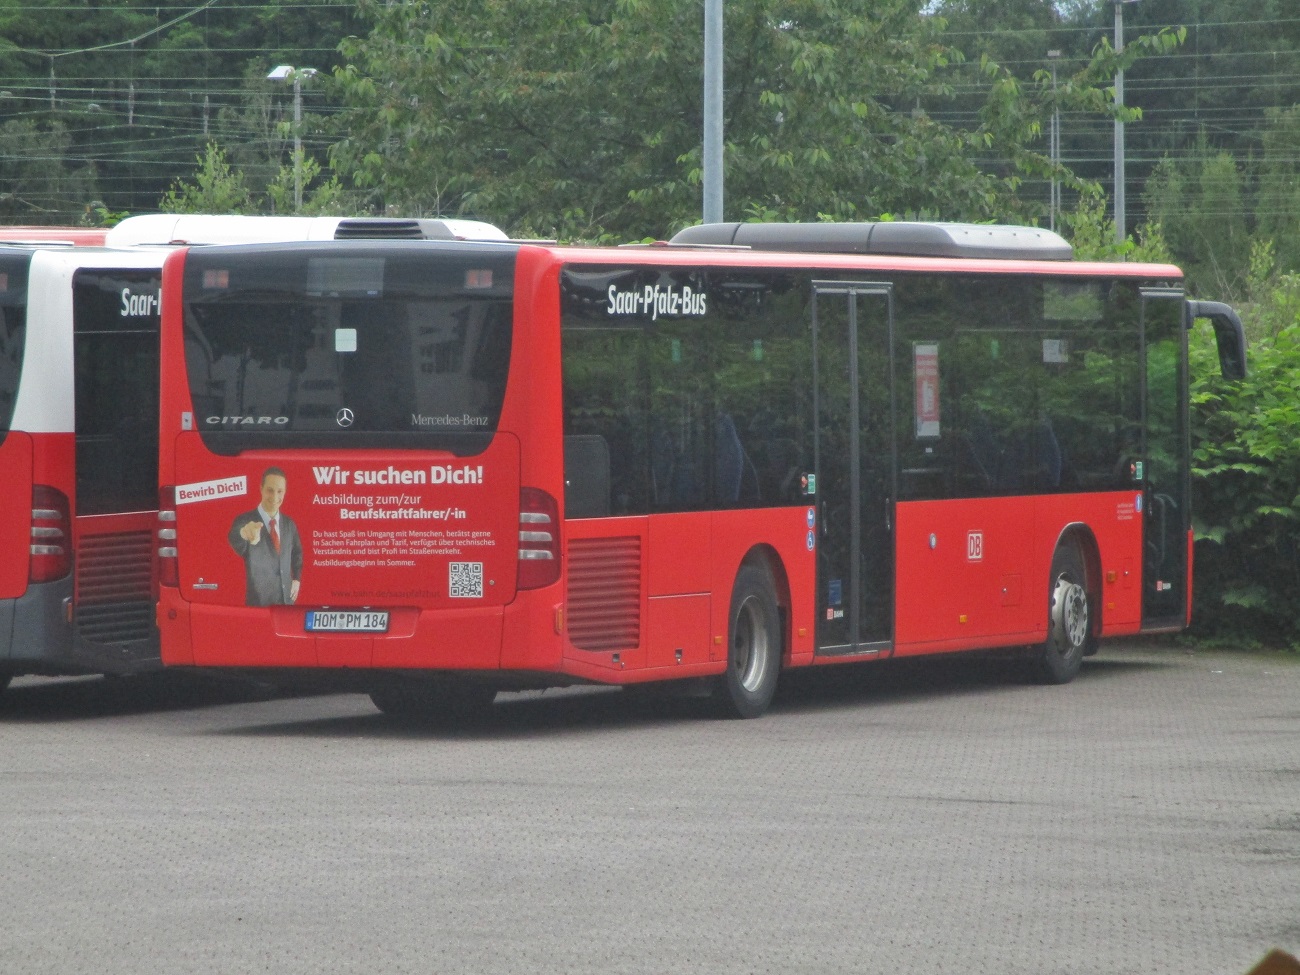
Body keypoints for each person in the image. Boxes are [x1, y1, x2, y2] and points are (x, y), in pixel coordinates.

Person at [228, 466, 303, 606]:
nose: (275, 497)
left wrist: (297, 579)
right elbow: (235, 537)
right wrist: (244, 533)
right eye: (270, 490)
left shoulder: (289, 524)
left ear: (285, 492)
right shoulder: (245, 520)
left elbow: (297, 553)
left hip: (287, 603)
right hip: (258, 605)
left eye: (280, 491)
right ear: (261, 488)